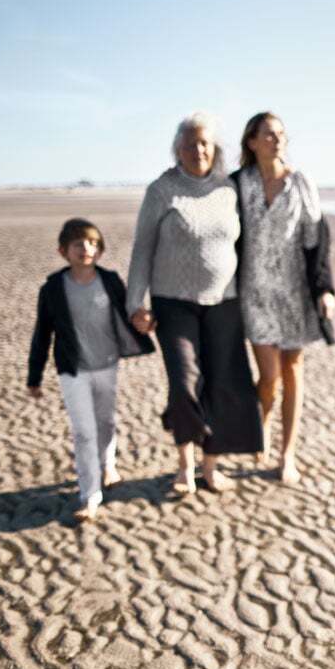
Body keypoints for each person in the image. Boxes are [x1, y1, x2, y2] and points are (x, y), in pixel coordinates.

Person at [127, 112, 263, 494]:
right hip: (173, 302)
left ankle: (209, 465)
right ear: (178, 149)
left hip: (225, 302)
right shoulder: (161, 190)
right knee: (185, 381)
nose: (198, 150)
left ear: (214, 148)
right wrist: (136, 303)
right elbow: (142, 250)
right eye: (190, 144)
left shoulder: (227, 189)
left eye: (204, 143)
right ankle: (185, 464)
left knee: (221, 382)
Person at [231, 112, 335, 485]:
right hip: (254, 291)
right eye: (268, 135)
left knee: (292, 370)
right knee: (268, 376)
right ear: (252, 142)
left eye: (280, 134)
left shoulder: (301, 182)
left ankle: (286, 454)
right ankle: (261, 422)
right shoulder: (238, 184)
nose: (276, 140)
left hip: (295, 291)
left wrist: (324, 289)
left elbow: (317, 238)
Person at [26, 218, 155, 522]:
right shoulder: (53, 288)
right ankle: (90, 495)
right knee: (84, 432)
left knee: (106, 421)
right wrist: (34, 376)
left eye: (93, 243)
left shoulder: (109, 280)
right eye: (78, 244)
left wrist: (145, 322)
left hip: (107, 365)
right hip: (73, 370)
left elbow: (129, 313)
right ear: (63, 251)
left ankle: (108, 464)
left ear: (100, 250)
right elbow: (42, 332)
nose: (86, 249)